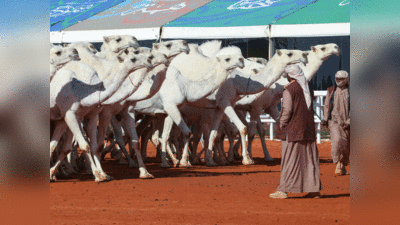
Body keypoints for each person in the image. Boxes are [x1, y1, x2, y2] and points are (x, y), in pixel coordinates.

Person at [270, 64, 322, 199]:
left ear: (289, 75)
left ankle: (283, 190)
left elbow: (287, 110)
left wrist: (282, 124)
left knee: (290, 160)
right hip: (308, 129)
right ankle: (314, 190)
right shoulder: (308, 89)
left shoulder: (289, 89)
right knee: (309, 160)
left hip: (293, 130)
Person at [321, 70, 350, 175]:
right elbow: (327, 105)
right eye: (337, 79)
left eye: (341, 79)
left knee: (346, 145)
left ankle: (342, 165)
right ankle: (338, 164)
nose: (339, 81)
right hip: (334, 121)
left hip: (347, 123)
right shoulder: (331, 90)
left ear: (346, 79)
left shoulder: (351, 91)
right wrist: (325, 119)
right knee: (337, 141)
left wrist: (349, 121)